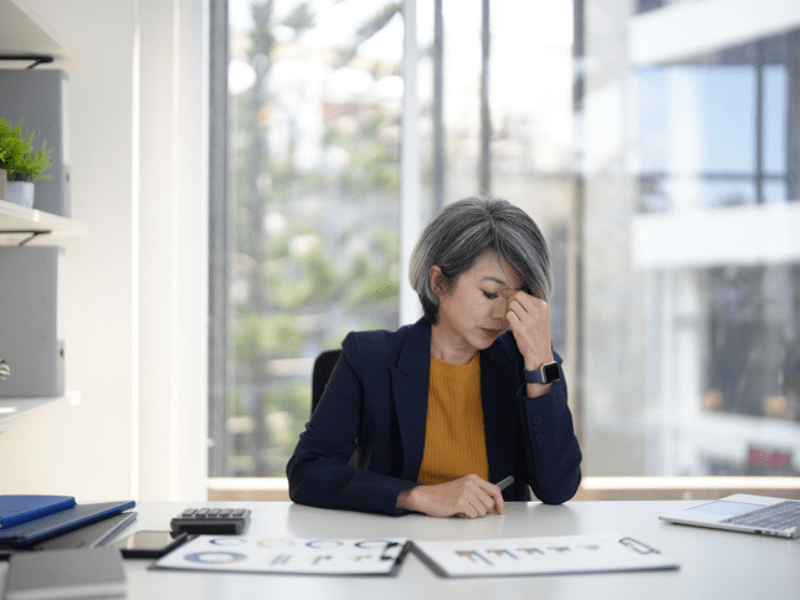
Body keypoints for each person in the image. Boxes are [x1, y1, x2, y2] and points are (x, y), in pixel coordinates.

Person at [286, 197, 582, 518]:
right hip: (400, 545)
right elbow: (307, 472)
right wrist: (416, 496)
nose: (502, 314)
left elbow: (558, 488)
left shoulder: (529, 362)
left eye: (517, 297)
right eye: (490, 293)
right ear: (438, 282)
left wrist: (539, 365)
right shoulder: (368, 358)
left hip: (493, 548)